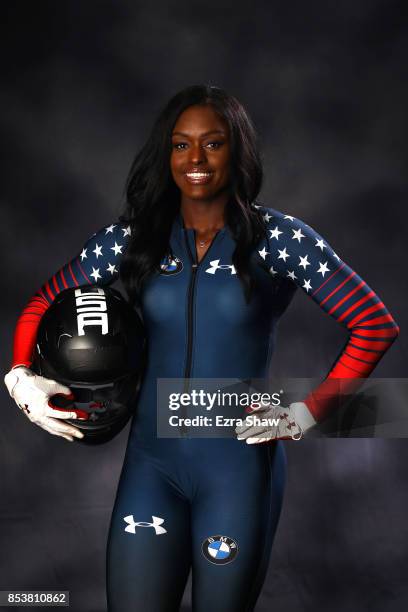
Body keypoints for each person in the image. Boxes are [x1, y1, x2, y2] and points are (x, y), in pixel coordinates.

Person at [4, 85, 399, 611]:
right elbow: (41, 304)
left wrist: (307, 414)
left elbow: (374, 324)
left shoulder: (277, 238)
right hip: (152, 466)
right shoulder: (132, 240)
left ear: (238, 151)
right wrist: (19, 377)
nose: (195, 160)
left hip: (238, 469)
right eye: (180, 145)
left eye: (212, 144)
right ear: (165, 154)